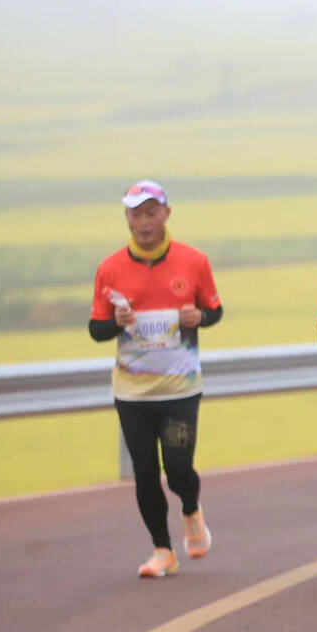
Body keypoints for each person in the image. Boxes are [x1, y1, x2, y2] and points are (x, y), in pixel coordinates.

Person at [87, 180, 223, 579]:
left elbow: (214, 311)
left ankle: (190, 508)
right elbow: (96, 330)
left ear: (166, 213)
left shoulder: (194, 261)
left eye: (151, 212)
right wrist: (116, 323)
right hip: (132, 392)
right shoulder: (110, 268)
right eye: (135, 214)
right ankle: (162, 550)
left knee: (179, 469)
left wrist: (199, 317)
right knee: (144, 471)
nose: (144, 222)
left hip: (181, 389)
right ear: (126, 218)